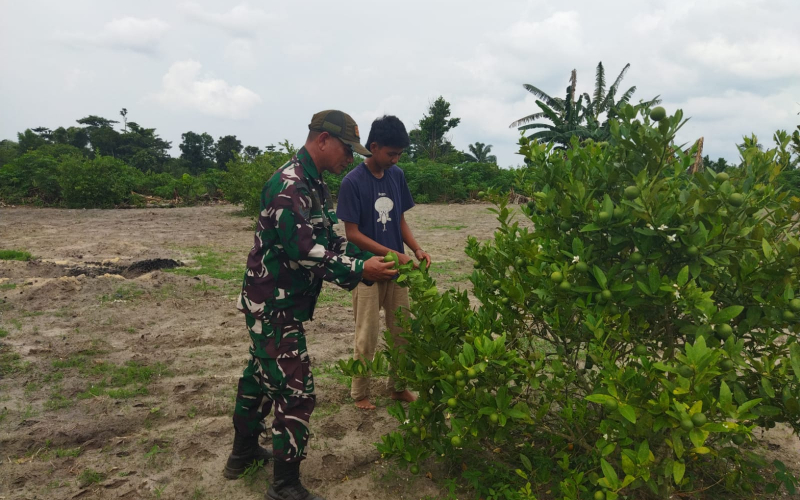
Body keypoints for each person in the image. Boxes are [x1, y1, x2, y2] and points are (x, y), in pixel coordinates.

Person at [224, 110, 397, 500]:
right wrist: (357, 267)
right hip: (272, 305)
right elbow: (304, 252)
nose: (349, 160)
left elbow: (328, 238)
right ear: (322, 140)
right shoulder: (289, 185)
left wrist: (364, 264)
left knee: (260, 378)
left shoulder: (313, 183)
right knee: (296, 391)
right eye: (345, 150)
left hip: (276, 302)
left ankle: (243, 453)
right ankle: (284, 487)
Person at [336, 115, 432, 410]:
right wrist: (394, 254)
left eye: (400, 154)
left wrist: (415, 248)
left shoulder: (397, 176)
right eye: (391, 153)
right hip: (367, 269)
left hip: (397, 270)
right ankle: (359, 392)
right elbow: (352, 234)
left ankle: (397, 387)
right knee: (367, 334)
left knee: (402, 332)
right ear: (373, 147)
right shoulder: (352, 182)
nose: (395, 159)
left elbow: (399, 218)